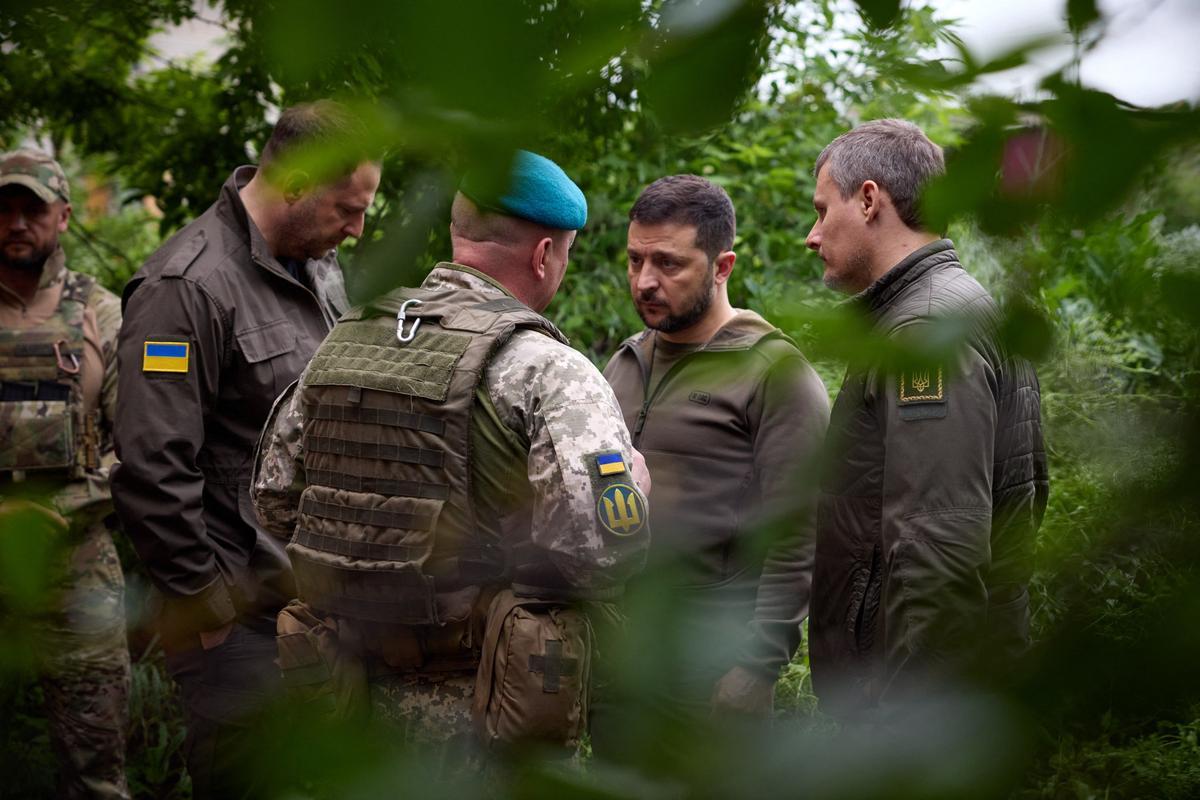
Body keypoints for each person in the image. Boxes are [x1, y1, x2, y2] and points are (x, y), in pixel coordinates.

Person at [251, 149, 649, 750]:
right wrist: (635, 493)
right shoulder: (547, 370)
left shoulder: (344, 342)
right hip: (487, 712)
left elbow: (276, 502)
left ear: (459, 236)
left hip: (349, 706)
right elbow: (602, 552)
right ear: (545, 255)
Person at [110, 101, 381, 798]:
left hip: (317, 610)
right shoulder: (186, 288)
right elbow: (152, 469)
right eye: (346, 210)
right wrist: (209, 618)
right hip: (240, 631)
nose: (355, 230)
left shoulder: (314, 266)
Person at [804, 119, 1049, 720]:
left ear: (868, 200)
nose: (812, 236)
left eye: (821, 209)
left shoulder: (924, 331)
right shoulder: (948, 309)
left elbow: (939, 547)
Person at [602, 174, 830, 723]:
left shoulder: (774, 372)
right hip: (620, 659)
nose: (645, 282)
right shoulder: (624, 363)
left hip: (711, 667)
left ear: (722, 267)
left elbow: (800, 531)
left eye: (669, 264)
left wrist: (757, 665)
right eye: (635, 260)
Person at [0, 149, 130, 799]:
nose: (17, 222)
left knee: (95, 768)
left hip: (75, 563)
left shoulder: (101, 313)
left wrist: (70, 508)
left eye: (33, 209)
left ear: (64, 216)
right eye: (4, 209)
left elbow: (137, 445)